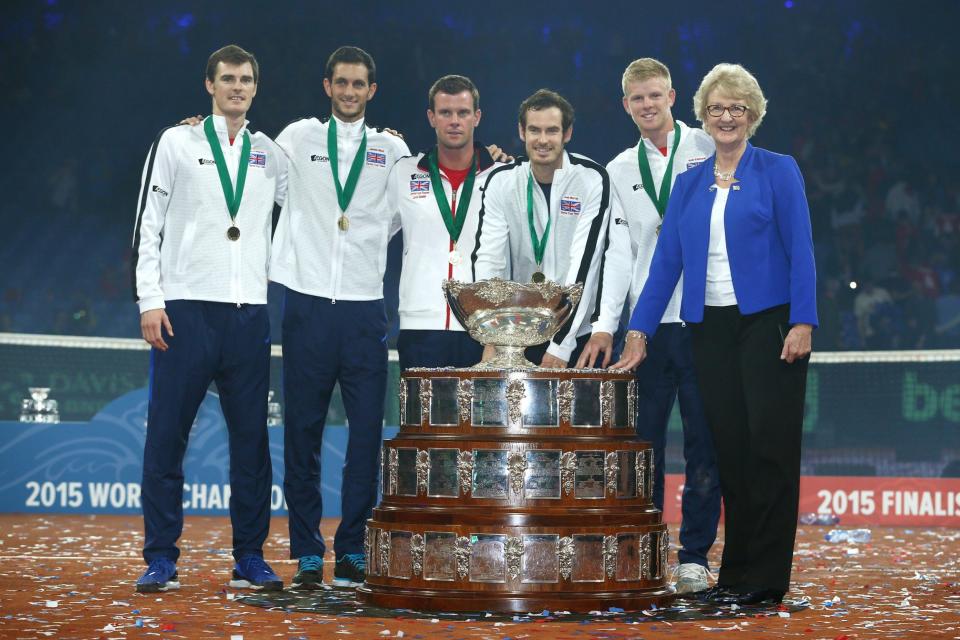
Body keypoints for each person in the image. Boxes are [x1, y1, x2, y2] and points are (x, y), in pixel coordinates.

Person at [614, 63, 817, 606]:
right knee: (730, 452)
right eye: (717, 109)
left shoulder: (778, 170)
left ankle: (767, 580)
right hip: (710, 328)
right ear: (703, 115)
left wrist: (803, 321)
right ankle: (736, 576)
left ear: (752, 115)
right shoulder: (689, 183)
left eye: (738, 109)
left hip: (769, 324)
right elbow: (665, 266)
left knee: (769, 453)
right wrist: (639, 330)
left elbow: (802, 249)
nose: (727, 118)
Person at [131, 44, 287, 593]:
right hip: (184, 312)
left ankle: (249, 556)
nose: (237, 87)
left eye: (246, 79)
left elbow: (313, 205)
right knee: (167, 438)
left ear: (255, 86)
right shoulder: (176, 141)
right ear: (209, 85)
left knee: (252, 446)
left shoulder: (270, 152)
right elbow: (147, 223)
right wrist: (150, 298)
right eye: (227, 78)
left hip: (248, 314)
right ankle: (160, 557)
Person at [576, 58, 721, 594]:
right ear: (625, 104)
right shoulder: (618, 168)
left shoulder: (706, 147)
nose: (647, 105)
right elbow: (618, 255)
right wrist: (605, 325)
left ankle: (695, 555)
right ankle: (645, 547)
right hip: (648, 328)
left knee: (706, 444)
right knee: (643, 445)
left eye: (655, 95)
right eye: (637, 98)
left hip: (705, 317)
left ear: (673, 97)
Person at [269, 46, 411, 589]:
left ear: (372, 91)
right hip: (304, 305)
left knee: (364, 438)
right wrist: (200, 126)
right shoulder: (296, 137)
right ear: (327, 85)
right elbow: (257, 177)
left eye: (360, 85)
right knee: (301, 433)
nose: (350, 92)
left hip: (363, 309)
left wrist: (365, 248)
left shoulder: (392, 149)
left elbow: (407, 213)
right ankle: (307, 549)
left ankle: (351, 547)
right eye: (342, 83)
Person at [472, 89, 611, 368]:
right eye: (534, 130)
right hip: (516, 334)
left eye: (552, 130)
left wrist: (561, 345)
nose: (543, 140)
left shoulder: (591, 179)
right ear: (522, 132)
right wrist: (492, 335)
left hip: (574, 336)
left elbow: (585, 266)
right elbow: (489, 259)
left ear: (567, 133)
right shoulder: (502, 181)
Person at [388, 75, 503, 370]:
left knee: (479, 419)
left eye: (463, 113)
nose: (455, 121)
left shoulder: (503, 176)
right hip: (420, 324)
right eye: (445, 113)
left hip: (484, 328)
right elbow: (373, 232)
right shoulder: (403, 172)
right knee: (421, 418)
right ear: (431, 117)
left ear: (476, 117)